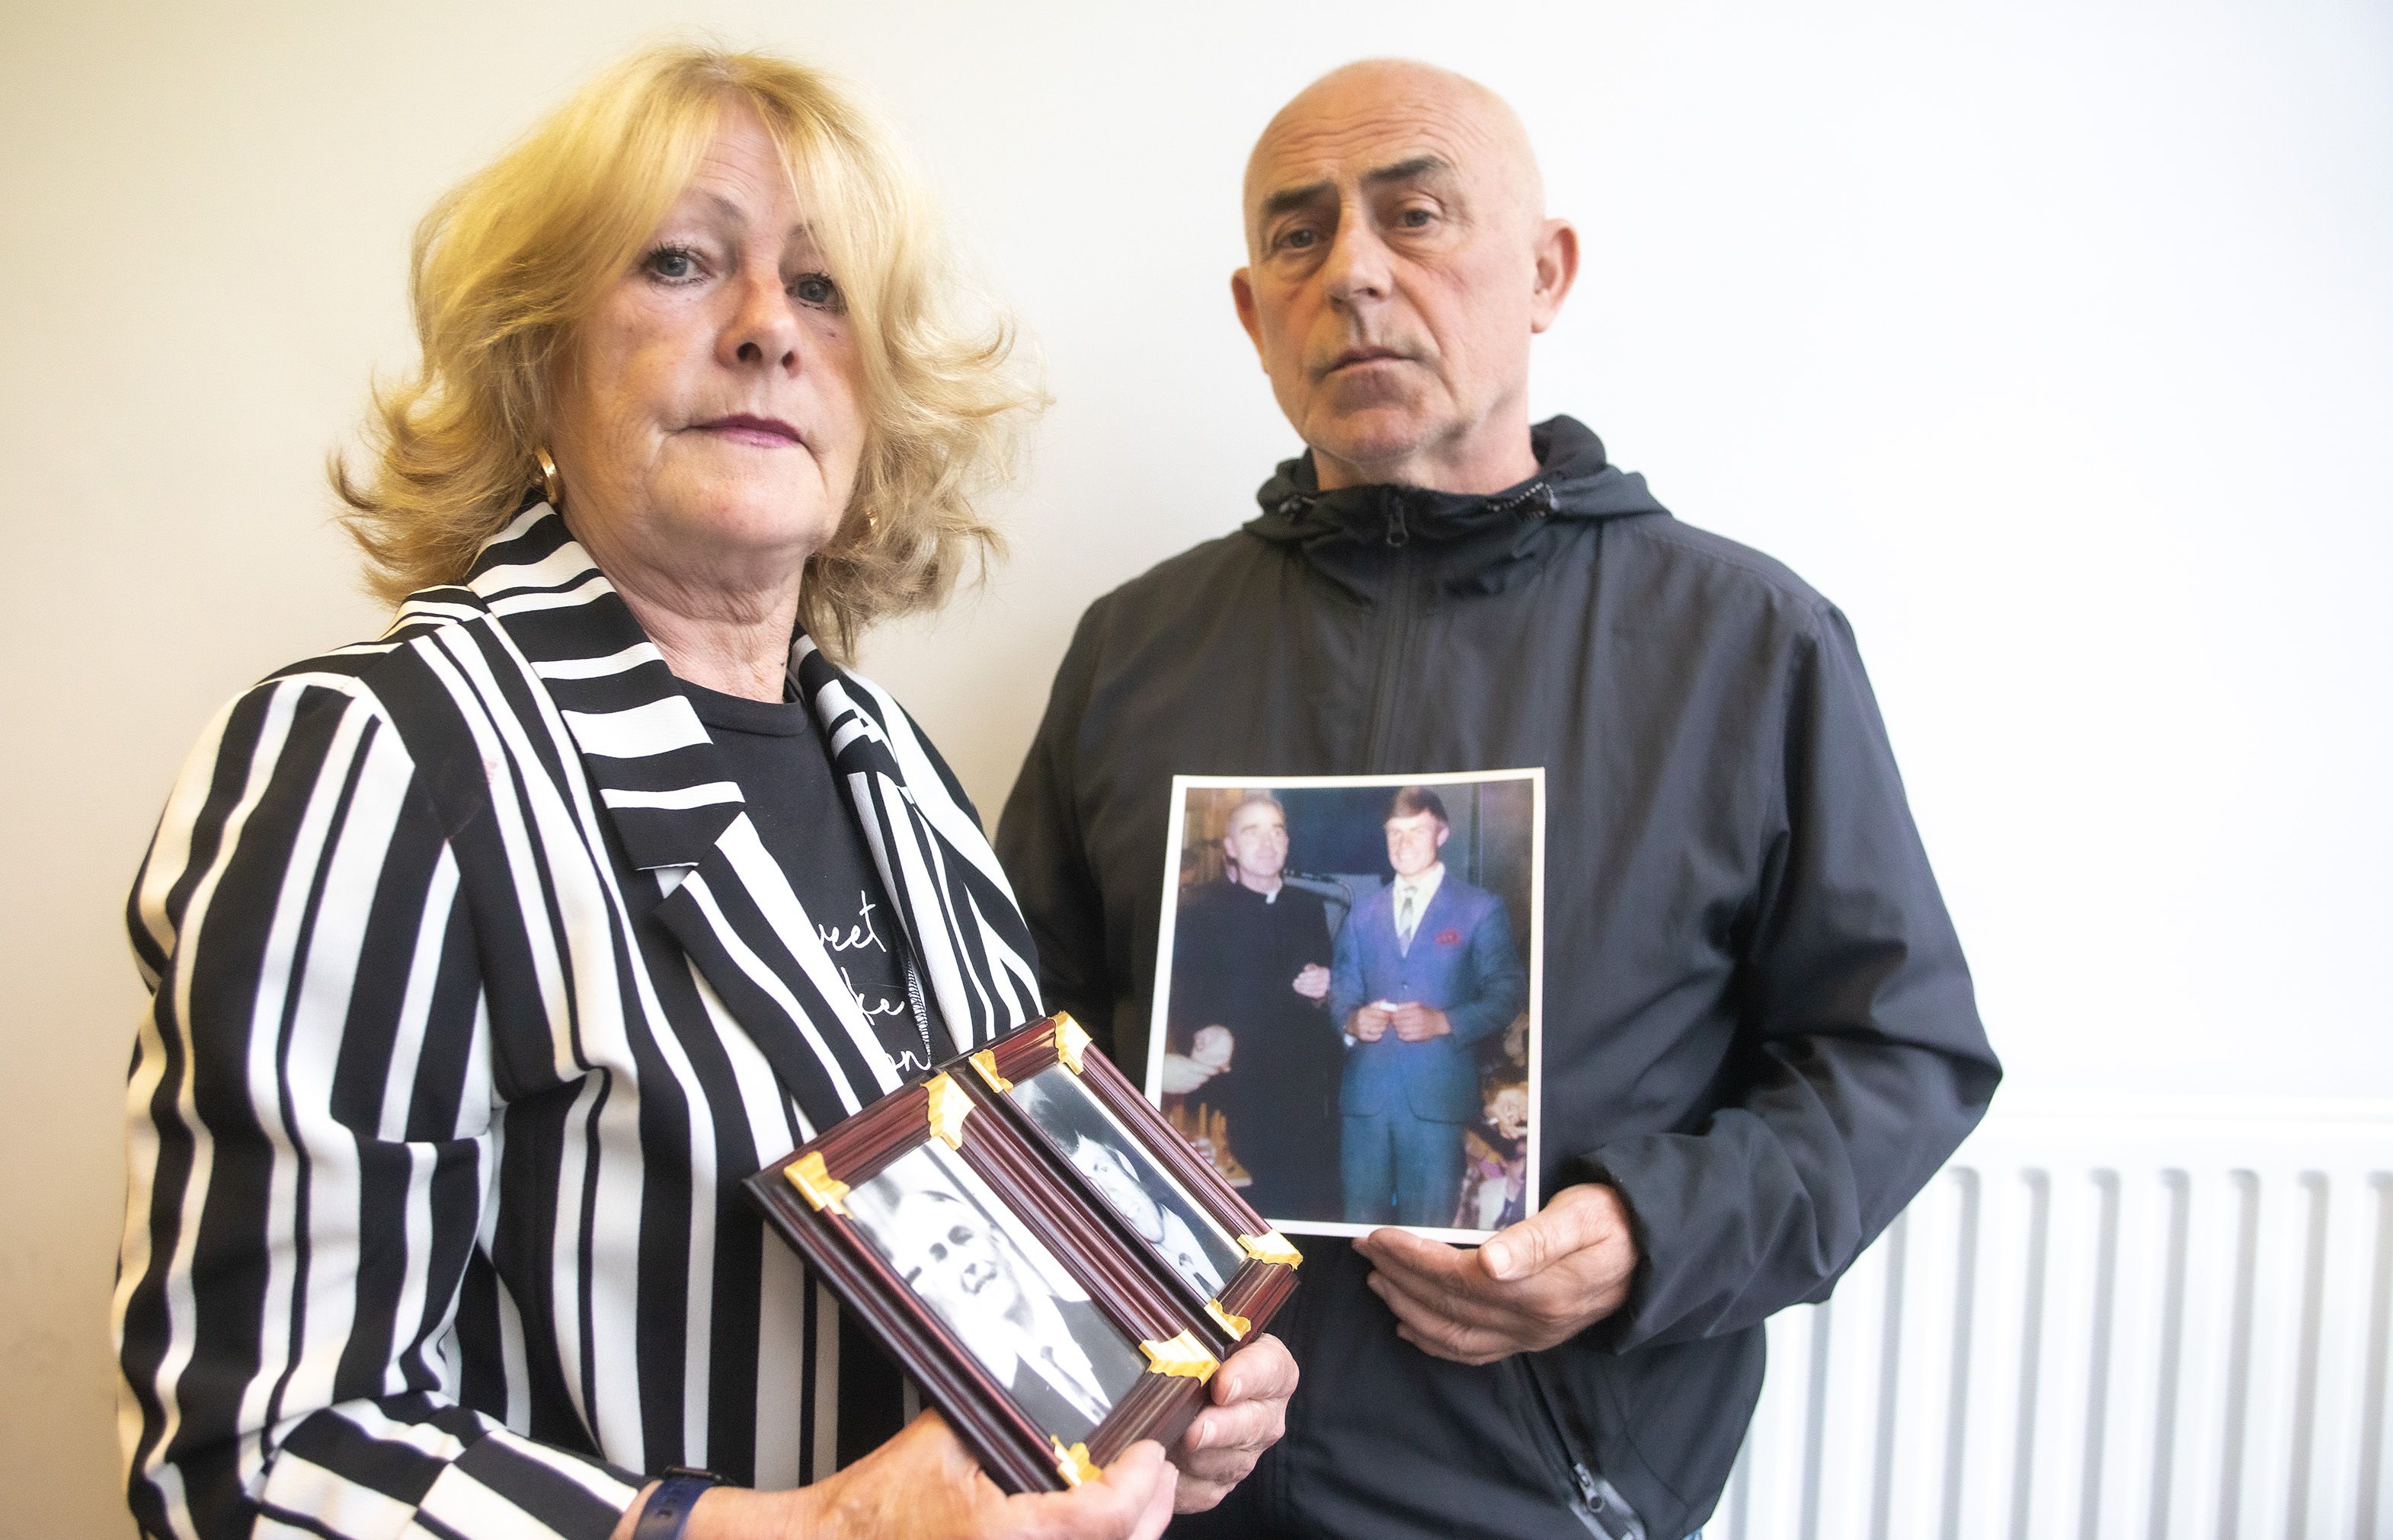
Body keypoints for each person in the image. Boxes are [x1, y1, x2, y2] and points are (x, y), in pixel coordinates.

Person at [112, 44, 1293, 1540]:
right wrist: (827, 1534)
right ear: (536, 358)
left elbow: (991, 1298)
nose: (763, 333)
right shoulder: (376, 756)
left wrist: (1145, 1399)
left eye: (822, 289)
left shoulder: (902, 773)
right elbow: (252, 1468)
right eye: (681, 263)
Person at [994, 57, 2000, 1540]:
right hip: (1179, 1492)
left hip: (1548, 1485)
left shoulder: (1741, 643)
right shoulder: (1136, 648)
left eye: (1415, 215)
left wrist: (1642, 1236)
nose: (1353, 272)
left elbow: (1896, 1053)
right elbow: (1023, 1040)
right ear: (1250, 311)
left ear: (1544, 272)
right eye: (1298, 235)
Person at [1327, 787, 1528, 1226]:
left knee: (1429, 1238)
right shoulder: (1362, 913)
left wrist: (1445, 1021)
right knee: (1360, 1233)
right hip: (1365, 1103)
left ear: (1442, 834)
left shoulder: (1479, 909)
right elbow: (1342, 988)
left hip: (1437, 1103)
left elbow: (1509, 990)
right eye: (1393, 833)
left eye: (1416, 831)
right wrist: (1352, 1019)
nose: (1403, 844)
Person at [1157, 794, 1344, 1218]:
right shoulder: (1197, 911)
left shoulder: (1310, 908)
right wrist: (1204, 1028)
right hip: (1238, 1086)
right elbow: (1183, 996)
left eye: (1277, 830)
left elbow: (1326, 994)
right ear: (1230, 848)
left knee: (1311, 1206)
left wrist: (1324, 989)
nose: (1268, 841)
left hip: (1306, 1091)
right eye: (1252, 830)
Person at [862, 1167, 1147, 1443]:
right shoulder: (1008, 1415)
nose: (965, 1264)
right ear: (940, 1289)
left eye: (962, 1237)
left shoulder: (1120, 1321)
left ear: (996, 1236)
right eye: (939, 1256)